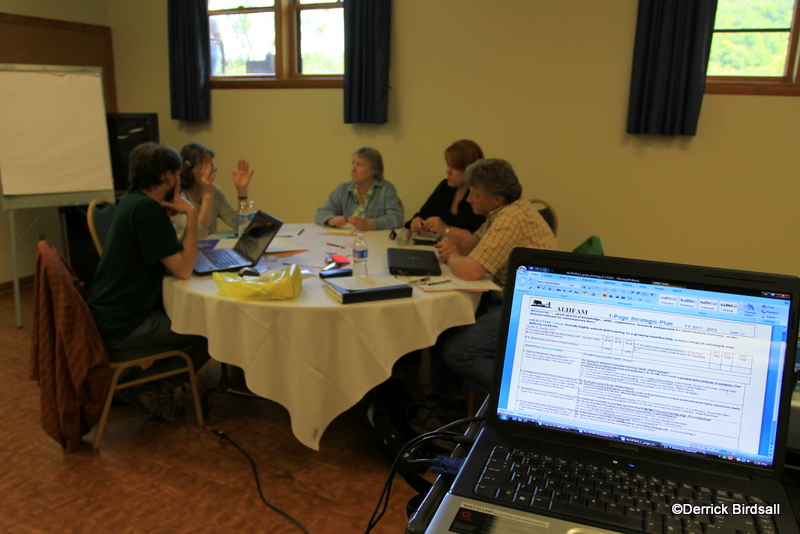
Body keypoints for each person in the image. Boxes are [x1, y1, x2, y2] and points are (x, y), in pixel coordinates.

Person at [419, 159, 557, 427]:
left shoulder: (511, 220)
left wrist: (454, 256)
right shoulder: (502, 212)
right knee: (445, 323)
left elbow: (469, 270)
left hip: (531, 307)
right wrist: (456, 251)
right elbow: (470, 245)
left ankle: (525, 400)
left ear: (497, 198)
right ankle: (449, 399)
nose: (469, 199)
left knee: (459, 352)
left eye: (475, 194)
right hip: (511, 296)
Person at [88, 142, 211, 422]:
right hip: (124, 326)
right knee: (210, 333)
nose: (178, 181)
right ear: (168, 177)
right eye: (177, 176)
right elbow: (183, 269)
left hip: (110, 314)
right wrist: (191, 215)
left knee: (197, 323)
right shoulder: (146, 211)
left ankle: (133, 381)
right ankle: (154, 387)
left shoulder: (133, 199)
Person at [406, 139, 486, 240]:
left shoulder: (482, 195)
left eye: (454, 167)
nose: (448, 171)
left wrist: (445, 229)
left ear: (470, 169)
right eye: (448, 165)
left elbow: (479, 236)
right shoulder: (445, 187)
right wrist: (417, 221)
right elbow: (423, 214)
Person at [173, 143, 255, 239]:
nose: (209, 172)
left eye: (211, 167)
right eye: (204, 168)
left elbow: (238, 224)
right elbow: (199, 234)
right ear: (188, 170)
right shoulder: (177, 195)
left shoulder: (214, 190)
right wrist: (208, 195)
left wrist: (242, 192)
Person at [315, 146, 404, 231]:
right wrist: (331, 219)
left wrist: (369, 224)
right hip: (346, 238)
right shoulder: (343, 189)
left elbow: (396, 218)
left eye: (359, 164)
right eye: (353, 163)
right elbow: (322, 212)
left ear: (374, 169)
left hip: (375, 239)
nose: (353, 169)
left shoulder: (386, 189)